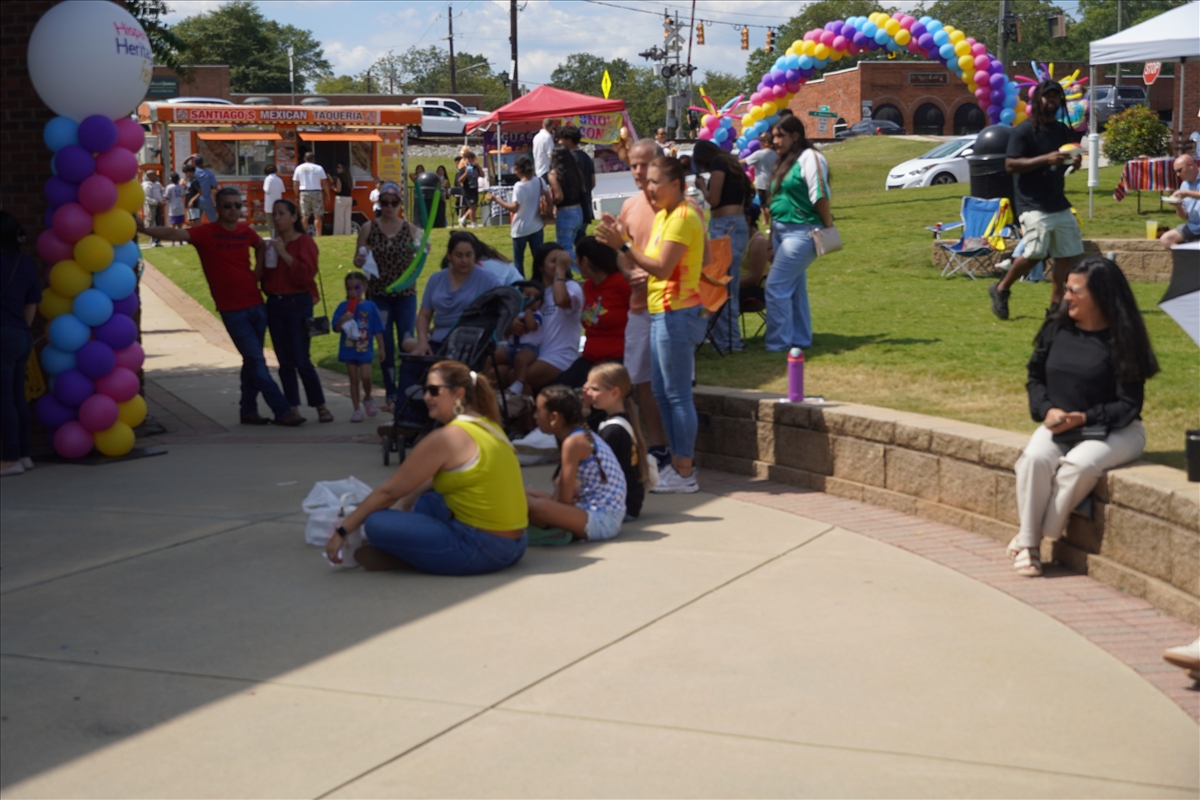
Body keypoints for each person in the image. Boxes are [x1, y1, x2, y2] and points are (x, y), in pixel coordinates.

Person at [1010, 256, 1159, 578]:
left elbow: (1128, 405)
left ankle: (1029, 538)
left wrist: (1084, 417)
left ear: (1100, 295)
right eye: (1067, 289)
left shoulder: (1123, 339)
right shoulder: (1055, 328)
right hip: (1060, 425)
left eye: (1075, 291)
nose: (1066, 297)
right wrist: (1047, 409)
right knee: (1034, 459)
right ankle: (1030, 546)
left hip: (1118, 430)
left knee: (1078, 465)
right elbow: (1035, 378)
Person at [325, 360, 528, 574]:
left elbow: (389, 492)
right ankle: (421, 549)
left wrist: (342, 530)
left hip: (482, 549)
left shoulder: (448, 437)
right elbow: (438, 477)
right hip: (516, 544)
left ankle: (415, 552)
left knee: (376, 522)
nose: (426, 397)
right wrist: (407, 501)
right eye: (425, 390)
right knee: (428, 500)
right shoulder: (489, 426)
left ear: (458, 393)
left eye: (434, 391)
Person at [138, 187, 305, 426]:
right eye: (228, 205)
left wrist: (258, 272)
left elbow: (260, 246)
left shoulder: (246, 232)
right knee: (256, 360)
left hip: (257, 305)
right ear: (217, 208)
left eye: (238, 205)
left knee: (251, 361)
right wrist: (144, 229)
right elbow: (174, 233)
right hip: (232, 310)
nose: (233, 210)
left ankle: (248, 411)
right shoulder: (205, 233)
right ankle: (282, 410)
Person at [597, 156, 705, 493]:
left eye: (656, 182)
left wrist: (623, 244)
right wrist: (623, 239)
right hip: (661, 311)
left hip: (677, 312)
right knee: (661, 391)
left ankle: (684, 471)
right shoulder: (665, 216)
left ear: (676, 184)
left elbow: (661, 267)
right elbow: (652, 261)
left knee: (677, 395)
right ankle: (677, 463)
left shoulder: (683, 216)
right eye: (647, 182)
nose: (649, 187)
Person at [990, 79, 1084, 319]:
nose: (1051, 100)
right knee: (1035, 252)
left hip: (1057, 200)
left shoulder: (1062, 130)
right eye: (1047, 96)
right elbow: (1010, 165)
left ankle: (1055, 307)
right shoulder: (1023, 131)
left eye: (1055, 96)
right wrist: (1045, 159)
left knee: (1065, 254)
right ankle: (1001, 288)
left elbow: (1061, 165)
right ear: (1037, 99)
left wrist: (1073, 163)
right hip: (1031, 201)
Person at [613, 139, 670, 470]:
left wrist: (651, 272)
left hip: (671, 307)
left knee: (671, 385)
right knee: (641, 383)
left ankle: (678, 452)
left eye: (644, 164)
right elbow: (622, 253)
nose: (637, 171)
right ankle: (658, 448)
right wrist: (629, 271)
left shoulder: (678, 206)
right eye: (633, 165)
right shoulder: (630, 206)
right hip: (639, 309)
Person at [765, 115, 833, 353]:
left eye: (780, 136)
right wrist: (771, 239)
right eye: (773, 136)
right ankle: (800, 340)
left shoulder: (810, 157)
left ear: (796, 136)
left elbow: (820, 195)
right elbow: (776, 201)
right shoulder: (784, 161)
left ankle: (778, 344)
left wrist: (828, 226)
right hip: (781, 231)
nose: (775, 141)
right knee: (794, 290)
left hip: (802, 232)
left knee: (775, 287)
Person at [525, 385, 626, 543]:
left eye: (538, 411)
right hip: (589, 508)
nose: (535, 416)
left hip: (602, 520)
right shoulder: (578, 436)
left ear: (554, 418)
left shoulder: (573, 443)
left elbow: (563, 501)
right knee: (526, 493)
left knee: (536, 507)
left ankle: (551, 532)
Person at [261, 198, 331, 423]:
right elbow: (266, 278)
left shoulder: (304, 243)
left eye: (282, 213)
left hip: (297, 303)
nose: (277, 218)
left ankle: (320, 405)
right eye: (275, 214)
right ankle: (292, 407)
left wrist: (284, 254)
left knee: (302, 359)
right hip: (275, 303)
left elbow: (305, 276)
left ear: (294, 217)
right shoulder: (273, 244)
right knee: (285, 361)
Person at [354, 181, 422, 411]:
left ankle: (406, 390)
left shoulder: (411, 229)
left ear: (400, 204)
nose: (390, 207)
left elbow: (420, 256)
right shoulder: (368, 228)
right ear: (379, 203)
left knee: (406, 341)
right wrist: (360, 260)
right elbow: (358, 258)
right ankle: (391, 392)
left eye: (394, 203)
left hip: (405, 294)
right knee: (385, 344)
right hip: (379, 294)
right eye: (385, 203)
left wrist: (422, 250)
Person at [693, 140, 753, 352]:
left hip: (725, 227)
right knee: (727, 284)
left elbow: (714, 200)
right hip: (736, 225)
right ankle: (726, 338)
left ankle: (730, 341)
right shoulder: (731, 164)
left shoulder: (718, 164)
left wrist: (702, 187)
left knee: (723, 286)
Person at [405, 232, 501, 356]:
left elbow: (503, 307)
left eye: (468, 255)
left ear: (475, 255)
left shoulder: (488, 280)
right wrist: (422, 341)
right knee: (409, 363)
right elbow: (424, 315)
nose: (464, 260)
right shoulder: (436, 279)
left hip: (471, 346)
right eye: (459, 255)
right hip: (438, 341)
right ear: (449, 255)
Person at [553, 236, 629, 388]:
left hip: (618, 359)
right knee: (557, 390)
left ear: (585, 261)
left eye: (577, 259)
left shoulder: (621, 282)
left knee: (589, 393)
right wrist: (559, 271)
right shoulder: (589, 286)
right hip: (590, 358)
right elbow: (560, 300)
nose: (575, 264)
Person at [1, 212, 40, 477]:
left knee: (4, 400)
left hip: (3, 336)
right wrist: (21, 330)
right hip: (20, 335)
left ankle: (10, 459)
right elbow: (32, 302)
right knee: (18, 397)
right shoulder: (24, 262)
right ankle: (24, 454)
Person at [583, 362, 648, 520]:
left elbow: (591, 463)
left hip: (620, 506)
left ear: (615, 392)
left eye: (595, 389)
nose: (588, 393)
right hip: (629, 503)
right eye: (587, 387)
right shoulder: (620, 420)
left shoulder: (613, 430)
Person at [333, 270, 385, 423]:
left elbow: (377, 329)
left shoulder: (370, 306)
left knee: (366, 376)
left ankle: (368, 397)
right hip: (348, 348)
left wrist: (382, 347)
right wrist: (343, 319)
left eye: (357, 287)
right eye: (349, 289)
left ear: (365, 287)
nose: (353, 292)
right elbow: (336, 328)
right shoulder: (343, 307)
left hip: (365, 348)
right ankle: (356, 409)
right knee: (354, 379)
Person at [489, 156, 544, 277]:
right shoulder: (539, 181)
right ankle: (540, 282)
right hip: (537, 225)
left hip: (520, 228)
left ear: (517, 168)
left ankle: (521, 285)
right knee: (539, 259)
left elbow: (514, 208)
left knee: (519, 260)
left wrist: (496, 199)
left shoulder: (519, 186)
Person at [502, 281, 544, 415]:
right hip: (511, 347)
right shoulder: (513, 314)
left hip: (529, 348)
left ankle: (518, 384)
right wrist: (510, 325)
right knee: (493, 356)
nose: (531, 299)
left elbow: (531, 326)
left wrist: (528, 310)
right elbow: (504, 332)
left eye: (535, 297)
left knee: (521, 359)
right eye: (527, 295)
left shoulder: (536, 314)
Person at [547, 146, 586, 267]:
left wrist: (550, 203)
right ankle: (567, 272)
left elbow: (559, 196)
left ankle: (587, 269)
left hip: (565, 212)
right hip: (579, 211)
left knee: (564, 248)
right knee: (568, 243)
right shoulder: (575, 170)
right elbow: (583, 189)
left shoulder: (553, 174)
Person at [1160, 154, 1200, 247]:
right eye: (1176, 172)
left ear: (1190, 165)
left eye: (1179, 170)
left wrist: (1187, 193)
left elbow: (1188, 193)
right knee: (1166, 239)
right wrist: (1178, 206)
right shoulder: (1184, 185)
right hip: (1193, 227)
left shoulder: (1185, 191)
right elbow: (1184, 217)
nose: (1178, 174)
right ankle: (1184, 256)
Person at [558, 125, 596, 225]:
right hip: (587, 203)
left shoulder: (568, 159)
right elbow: (593, 182)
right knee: (581, 233)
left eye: (561, 139)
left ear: (569, 140)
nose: (559, 142)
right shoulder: (587, 158)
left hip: (572, 206)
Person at [741, 133, 778, 222]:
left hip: (762, 183)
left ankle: (765, 221)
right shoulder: (776, 154)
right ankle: (772, 220)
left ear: (766, 143)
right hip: (774, 182)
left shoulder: (759, 154)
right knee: (771, 202)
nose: (759, 143)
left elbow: (745, 161)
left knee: (763, 204)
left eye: (761, 141)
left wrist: (730, 161)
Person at [292, 152, 330, 238]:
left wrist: (296, 196)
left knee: (305, 216)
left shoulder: (299, 168)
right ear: (314, 159)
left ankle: (302, 236)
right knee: (317, 216)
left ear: (304, 159)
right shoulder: (319, 168)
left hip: (304, 192)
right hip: (317, 192)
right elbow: (325, 183)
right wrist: (328, 195)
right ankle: (319, 235)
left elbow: (295, 184)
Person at [456, 151, 482, 228]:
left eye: (472, 159)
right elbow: (460, 180)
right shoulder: (463, 169)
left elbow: (482, 175)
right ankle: (474, 223)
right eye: (468, 159)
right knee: (472, 206)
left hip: (475, 189)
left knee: (474, 207)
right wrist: (466, 173)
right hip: (467, 190)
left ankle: (463, 218)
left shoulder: (475, 168)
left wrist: (479, 167)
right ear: (465, 159)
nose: (470, 160)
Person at [191, 156, 219, 223]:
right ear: (203, 162)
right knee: (213, 220)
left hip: (195, 200)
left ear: (194, 163)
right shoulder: (210, 174)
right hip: (207, 199)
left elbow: (183, 166)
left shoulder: (193, 173)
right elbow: (214, 186)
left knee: (196, 221)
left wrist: (190, 157)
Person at [141, 170, 164, 246]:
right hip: (151, 206)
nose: (156, 176)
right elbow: (146, 197)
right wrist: (156, 202)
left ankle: (158, 240)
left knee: (158, 223)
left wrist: (163, 200)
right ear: (149, 176)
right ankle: (153, 240)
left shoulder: (157, 184)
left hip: (158, 205)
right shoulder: (146, 185)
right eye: (154, 175)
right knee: (152, 223)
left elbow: (163, 191)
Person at [262, 165, 284, 237]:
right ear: (275, 171)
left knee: (271, 224)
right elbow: (283, 190)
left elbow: (267, 190)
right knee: (278, 223)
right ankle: (278, 237)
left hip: (269, 204)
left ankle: (273, 237)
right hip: (278, 204)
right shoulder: (279, 179)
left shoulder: (268, 179)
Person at [332, 163, 354, 236]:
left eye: (339, 167)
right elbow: (352, 188)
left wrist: (334, 188)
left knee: (339, 217)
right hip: (349, 198)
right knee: (347, 217)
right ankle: (347, 233)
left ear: (343, 168)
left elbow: (338, 190)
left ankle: (339, 233)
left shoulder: (339, 177)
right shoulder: (349, 177)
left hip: (341, 198)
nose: (337, 169)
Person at [164, 172, 186, 242]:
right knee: (180, 225)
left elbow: (166, 197)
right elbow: (183, 195)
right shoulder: (181, 187)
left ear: (171, 179)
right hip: (180, 206)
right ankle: (181, 240)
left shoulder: (169, 187)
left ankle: (172, 240)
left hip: (172, 207)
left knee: (173, 224)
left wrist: (162, 202)